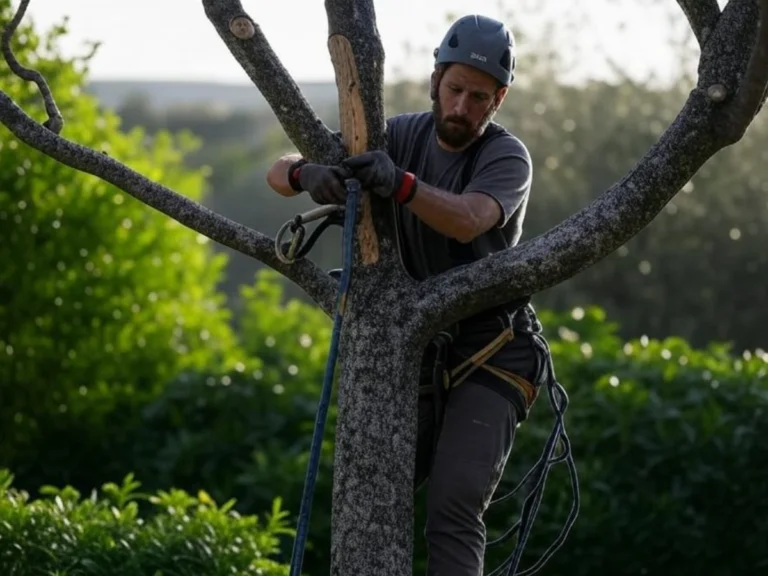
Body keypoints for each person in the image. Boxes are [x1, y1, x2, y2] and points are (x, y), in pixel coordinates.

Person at [266, 14, 551, 576]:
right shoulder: (400, 133)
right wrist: (308, 175)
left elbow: (469, 221)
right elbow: (275, 171)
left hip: (494, 352)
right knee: (370, 488)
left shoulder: (505, 157)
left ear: (498, 100)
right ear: (435, 80)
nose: (462, 107)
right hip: (417, 349)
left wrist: (400, 183)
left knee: (455, 501)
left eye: (478, 97)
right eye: (454, 90)